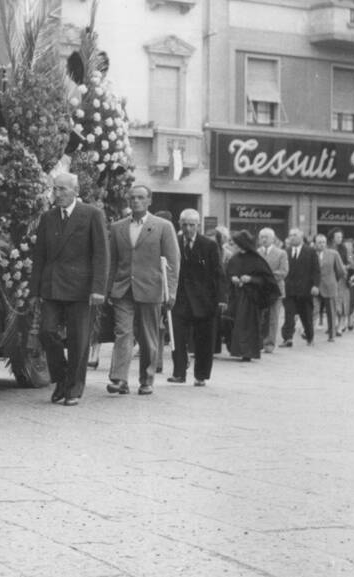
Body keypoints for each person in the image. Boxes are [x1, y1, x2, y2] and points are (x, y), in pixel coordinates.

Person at [30, 172, 108, 407]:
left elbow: (101, 254)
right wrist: (35, 290)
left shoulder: (91, 214)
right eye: (55, 189)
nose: (58, 194)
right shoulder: (48, 217)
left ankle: (74, 388)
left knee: (78, 339)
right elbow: (39, 255)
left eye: (63, 189)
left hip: (81, 288)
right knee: (46, 332)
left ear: (75, 191)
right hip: (52, 285)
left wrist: (98, 288)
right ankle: (62, 379)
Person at [105, 185, 179, 396]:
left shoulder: (163, 227)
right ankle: (119, 379)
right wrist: (108, 289)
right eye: (132, 198)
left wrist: (170, 291)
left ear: (149, 201)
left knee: (148, 336)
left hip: (151, 288)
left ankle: (146, 380)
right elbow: (112, 261)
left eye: (140, 198)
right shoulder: (118, 227)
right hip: (123, 288)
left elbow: (173, 261)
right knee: (123, 333)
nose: (135, 201)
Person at [168, 209, 226, 386]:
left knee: (204, 339)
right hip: (180, 299)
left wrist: (222, 298)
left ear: (198, 225)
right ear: (179, 224)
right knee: (177, 337)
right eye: (184, 224)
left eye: (192, 225)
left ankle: (201, 375)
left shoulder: (209, 245)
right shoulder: (173, 242)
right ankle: (179, 372)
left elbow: (218, 273)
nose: (188, 228)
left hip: (204, 300)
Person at [225, 230, 280, 361]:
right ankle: (236, 349)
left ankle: (248, 353)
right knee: (232, 323)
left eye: (237, 244)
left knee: (248, 325)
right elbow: (228, 274)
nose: (235, 246)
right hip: (236, 297)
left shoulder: (256, 259)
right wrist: (233, 279)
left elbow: (266, 279)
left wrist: (250, 279)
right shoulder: (234, 258)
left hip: (250, 298)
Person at [281, 228, 319, 347]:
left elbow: (316, 270)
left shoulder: (310, 251)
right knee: (289, 314)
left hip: (305, 289)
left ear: (301, 237)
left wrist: (315, 285)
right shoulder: (285, 252)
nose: (292, 237)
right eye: (290, 235)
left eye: (295, 235)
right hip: (289, 289)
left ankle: (310, 337)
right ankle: (287, 338)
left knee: (306, 315)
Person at [257, 228, 288, 353]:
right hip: (260, 289)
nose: (263, 240)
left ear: (273, 239)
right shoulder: (257, 252)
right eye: (261, 237)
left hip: (276, 289)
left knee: (273, 317)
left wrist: (266, 276)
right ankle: (259, 342)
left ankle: (270, 343)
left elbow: (284, 271)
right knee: (261, 316)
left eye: (266, 237)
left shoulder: (281, 253)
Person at [314, 233, 345, 342]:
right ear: (315, 244)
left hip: (330, 285)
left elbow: (341, 270)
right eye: (319, 242)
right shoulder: (312, 253)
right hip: (315, 286)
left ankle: (332, 334)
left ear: (326, 243)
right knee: (314, 309)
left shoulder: (333, 254)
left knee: (331, 311)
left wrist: (333, 280)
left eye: (323, 242)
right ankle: (309, 332)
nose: (321, 244)